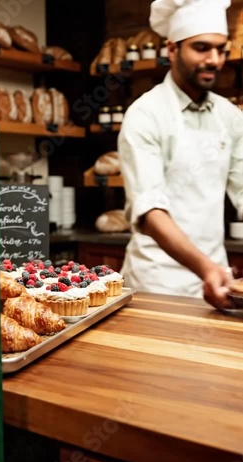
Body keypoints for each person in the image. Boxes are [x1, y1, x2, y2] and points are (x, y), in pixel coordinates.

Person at [118, 0, 243, 309]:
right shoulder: (145, 115)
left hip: (217, 286)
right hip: (156, 285)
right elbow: (149, 213)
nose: (214, 60)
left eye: (221, 49)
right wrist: (207, 268)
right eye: (201, 48)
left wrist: (213, 271)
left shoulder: (230, 117)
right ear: (172, 49)